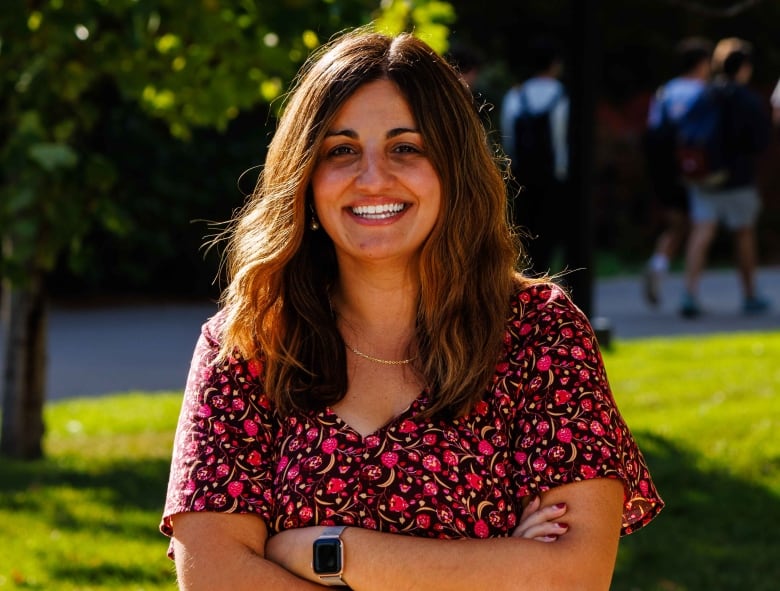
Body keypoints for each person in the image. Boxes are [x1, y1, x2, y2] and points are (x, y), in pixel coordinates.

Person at [160, 28, 663, 591]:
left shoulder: (538, 334)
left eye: (406, 148)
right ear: (303, 177)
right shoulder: (250, 342)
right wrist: (496, 566)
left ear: (453, 167)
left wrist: (329, 551)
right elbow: (213, 578)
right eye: (340, 150)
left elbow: (571, 577)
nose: (373, 177)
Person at [678, 37, 771, 318]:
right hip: (738, 179)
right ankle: (750, 294)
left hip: (704, 175)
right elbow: (760, 141)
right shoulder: (747, 99)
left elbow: (683, 130)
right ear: (744, 67)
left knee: (702, 231)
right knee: (743, 233)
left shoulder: (705, 93)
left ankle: (689, 294)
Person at [641, 37, 713, 307]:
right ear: (703, 63)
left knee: (676, 224)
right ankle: (690, 291)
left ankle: (658, 264)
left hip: (665, 169)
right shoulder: (704, 92)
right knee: (701, 225)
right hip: (695, 168)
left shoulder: (665, 92)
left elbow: (653, 130)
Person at [500, 35, 570, 276]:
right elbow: (561, 138)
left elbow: (508, 135)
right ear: (554, 64)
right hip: (552, 174)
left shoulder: (516, 95)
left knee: (524, 230)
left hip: (522, 175)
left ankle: (525, 279)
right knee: (549, 231)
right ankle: (546, 279)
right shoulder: (561, 95)